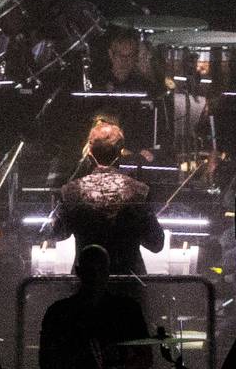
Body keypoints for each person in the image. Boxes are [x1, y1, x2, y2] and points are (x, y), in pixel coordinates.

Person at [53, 119, 164, 277]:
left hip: (87, 282)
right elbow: (156, 243)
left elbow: (58, 234)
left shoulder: (71, 191)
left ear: (90, 154)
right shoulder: (139, 191)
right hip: (128, 284)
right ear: (120, 154)